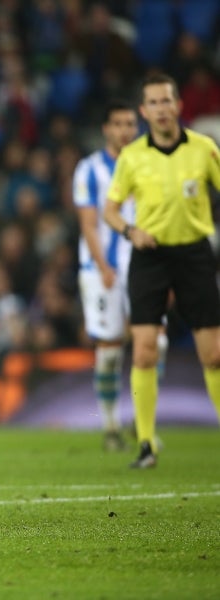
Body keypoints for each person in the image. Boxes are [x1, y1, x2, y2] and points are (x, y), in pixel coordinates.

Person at [104, 72, 220, 469]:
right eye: (153, 103)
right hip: (150, 257)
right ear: (144, 110)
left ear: (178, 105)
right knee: (144, 352)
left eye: (166, 101)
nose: (161, 108)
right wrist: (130, 231)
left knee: (214, 355)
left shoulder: (204, 149)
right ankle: (148, 444)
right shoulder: (133, 156)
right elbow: (111, 209)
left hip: (194, 254)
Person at [73, 99, 168, 452]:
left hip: (144, 265)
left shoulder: (151, 165)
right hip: (102, 270)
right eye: (119, 124)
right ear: (106, 129)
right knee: (110, 349)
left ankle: (144, 426)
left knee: (156, 342)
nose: (126, 130)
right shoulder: (89, 169)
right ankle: (111, 425)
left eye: (131, 124)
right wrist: (104, 265)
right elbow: (88, 222)